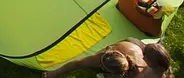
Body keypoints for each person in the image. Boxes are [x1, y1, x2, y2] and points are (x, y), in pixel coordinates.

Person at [42, 39, 172, 78]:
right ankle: (53, 74)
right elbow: (79, 64)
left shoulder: (151, 70)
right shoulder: (158, 70)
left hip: (131, 47)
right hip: (128, 47)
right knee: (87, 62)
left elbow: (78, 64)